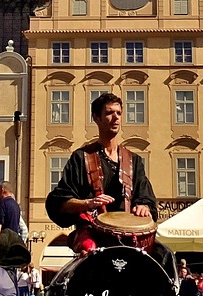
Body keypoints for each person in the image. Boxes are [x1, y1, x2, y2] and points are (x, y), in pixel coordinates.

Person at [45, 92, 159, 243]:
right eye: (109, 113)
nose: (116, 117)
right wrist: (88, 203)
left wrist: (144, 206)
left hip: (129, 237)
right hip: (93, 233)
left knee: (165, 255)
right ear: (96, 118)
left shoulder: (134, 160)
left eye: (119, 113)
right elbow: (60, 203)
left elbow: (146, 198)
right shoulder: (81, 157)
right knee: (89, 256)